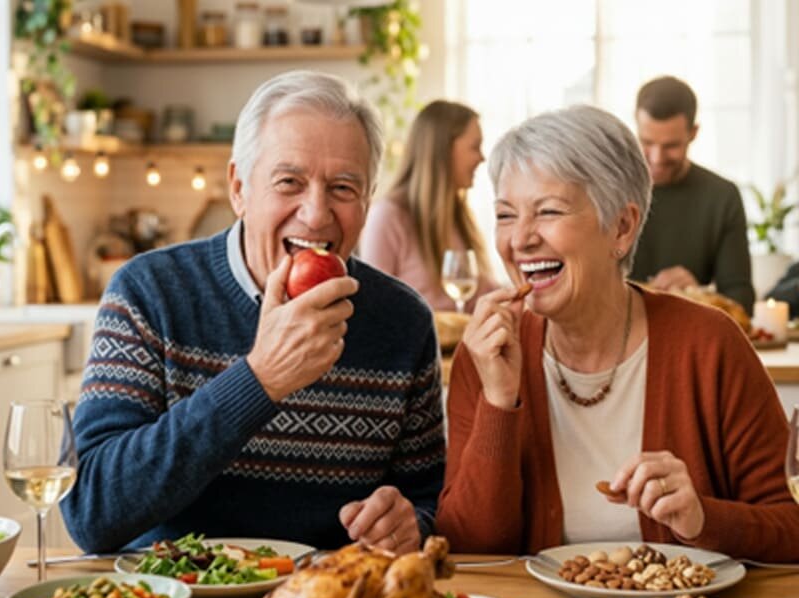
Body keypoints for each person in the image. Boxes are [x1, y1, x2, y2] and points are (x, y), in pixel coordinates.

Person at [62, 71, 445, 554]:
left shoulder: (403, 322)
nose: (315, 213)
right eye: (290, 182)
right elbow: (90, 512)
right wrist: (259, 379)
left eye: (344, 188)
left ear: (368, 202)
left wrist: (412, 523)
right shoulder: (148, 294)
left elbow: (429, 501)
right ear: (239, 188)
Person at [436, 105, 799, 562]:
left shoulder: (709, 345)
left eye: (547, 211)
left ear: (622, 228)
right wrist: (498, 401)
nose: (520, 239)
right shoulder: (488, 354)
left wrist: (702, 519)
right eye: (506, 215)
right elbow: (470, 549)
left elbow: (792, 525)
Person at [628, 76, 755, 315]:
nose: (656, 158)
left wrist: (699, 292)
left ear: (693, 133)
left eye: (671, 146)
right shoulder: (610, 190)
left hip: (690, 333)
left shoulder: (722, 197)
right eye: (647, 142)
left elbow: (741, 298)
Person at [358, 100, 496, 312]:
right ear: (444, 150)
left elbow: (485, 293)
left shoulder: (459, 215)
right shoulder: (387, 217)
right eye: (474, 147)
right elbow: (374, 307)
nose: (482, 158)